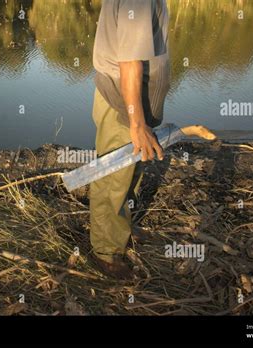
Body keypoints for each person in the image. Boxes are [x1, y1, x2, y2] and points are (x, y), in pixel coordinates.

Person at [90, 0, 170, 279]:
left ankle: (119, 228)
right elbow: (129, 62)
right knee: (114, 176)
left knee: (129, 171)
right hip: (124, 101)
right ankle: (106, 251)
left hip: (129, 99)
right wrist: (136, 121)